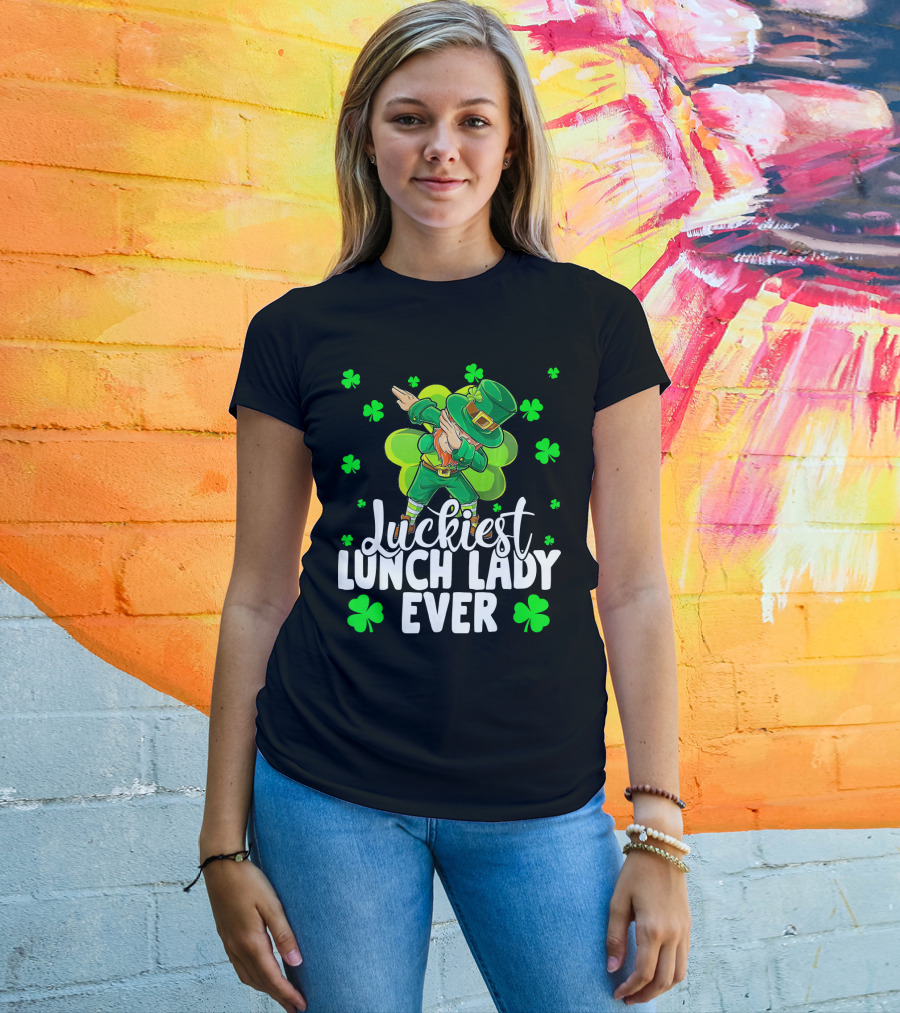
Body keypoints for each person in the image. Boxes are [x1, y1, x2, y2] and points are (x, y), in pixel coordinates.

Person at [192, 2, 692, 1010]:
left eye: (474, 120)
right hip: (325, 786)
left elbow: (634, 586)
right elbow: (256, 595)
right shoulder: (294, 333)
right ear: (366, 137)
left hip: (543, 798)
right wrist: (220, 845)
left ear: (511, 146)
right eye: (409, 118)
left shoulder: (596, 319)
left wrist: (658, 826)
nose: (441, 149)